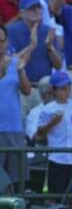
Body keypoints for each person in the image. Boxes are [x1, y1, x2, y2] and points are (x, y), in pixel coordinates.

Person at [0, 25, 31, 190]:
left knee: (16, 180)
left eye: (1, 40)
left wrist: (20, 71)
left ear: (6, 42)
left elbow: (27, 91)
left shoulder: (16, 63)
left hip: (14, 129)